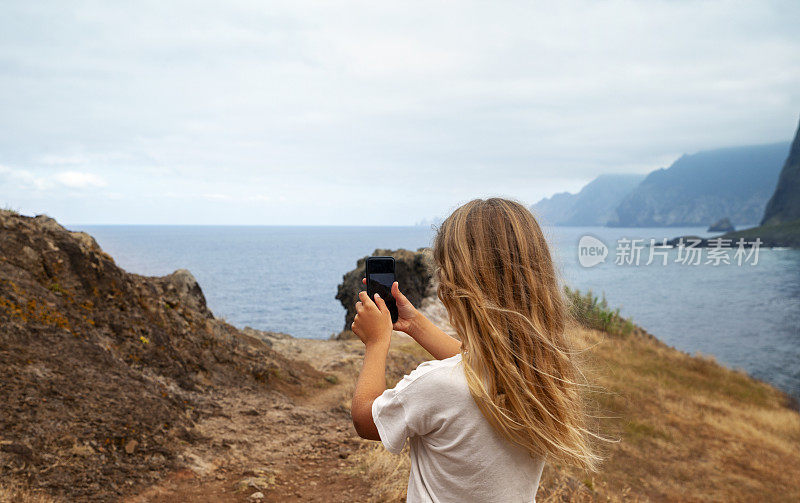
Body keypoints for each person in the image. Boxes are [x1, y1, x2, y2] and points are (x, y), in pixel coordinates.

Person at [350, 198, 600, 502]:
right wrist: (415, 325)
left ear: (452, 287)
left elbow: (367, 420)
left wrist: (377, 344)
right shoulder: (538, 376)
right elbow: (479, 366)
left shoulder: (437, 384)